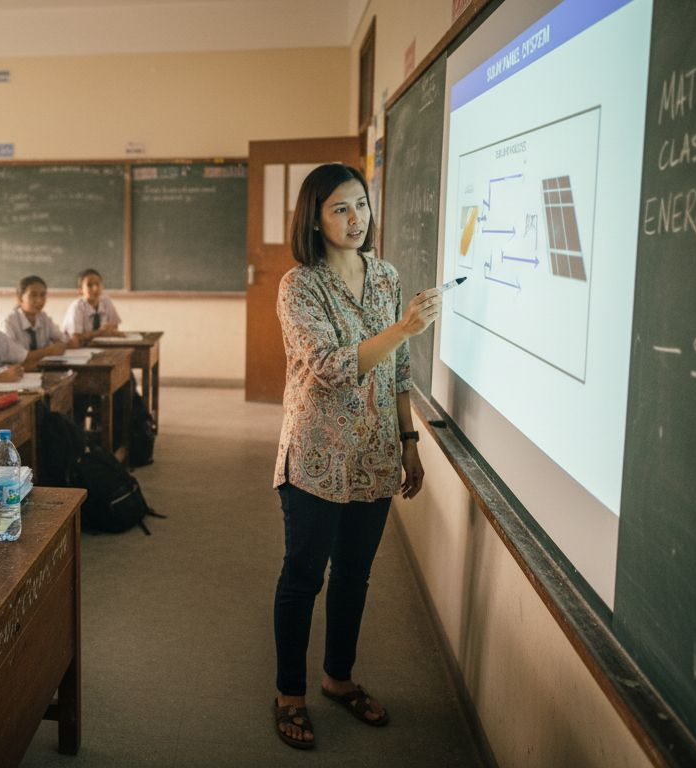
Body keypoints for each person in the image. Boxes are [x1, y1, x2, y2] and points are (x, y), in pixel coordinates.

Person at [270, 163, 440, 750]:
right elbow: (331, 368)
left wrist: (410, 441)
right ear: (315, 220)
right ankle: (289, 693)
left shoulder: (387, 276)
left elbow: (398, 370)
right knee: (302, 577)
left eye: (361, 205)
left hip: (374, 457)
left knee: (355, 577)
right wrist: (403, 329)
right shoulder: (300, 285)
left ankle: (338, 679)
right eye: (340, 209)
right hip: (316, 456)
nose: (355, 219)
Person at [0, 275, 73, 365]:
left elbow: (64, 340)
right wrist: (49, 350)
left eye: (43, 295)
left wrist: (59, 344)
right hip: (17, 375)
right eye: (33, 295)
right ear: (20, 298)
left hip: (41, 370)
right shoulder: (8, 322)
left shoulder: (43, 318)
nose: (39, 300)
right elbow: (14, 358)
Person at [61, 268, 123, 344]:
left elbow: (115, 325)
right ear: (80, 290)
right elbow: (75, 339)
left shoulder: (106, 301)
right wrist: (99, 332)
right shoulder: (77, 307)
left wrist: (111, 328)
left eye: (98, 284)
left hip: (99, 346)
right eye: (89, 285)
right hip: (77, 350)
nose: (95, 288)